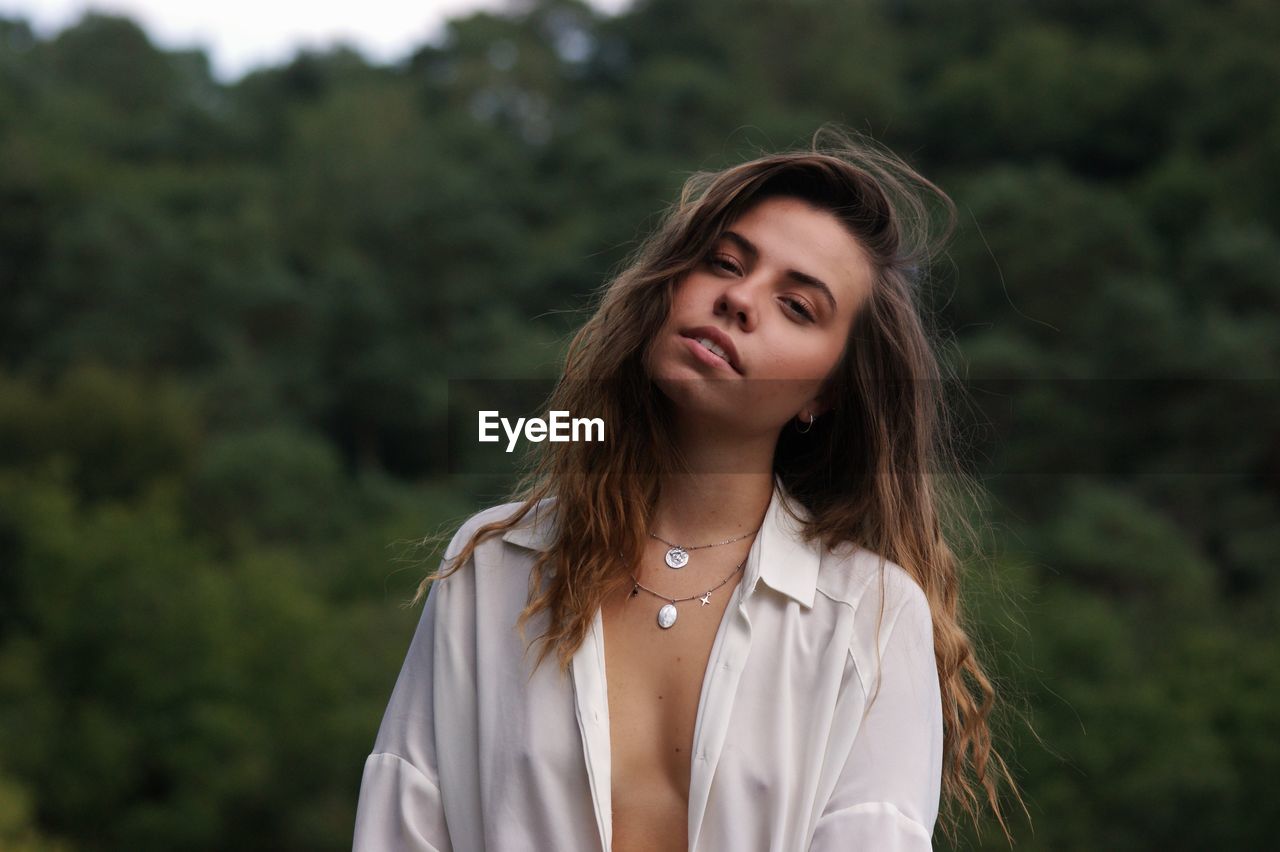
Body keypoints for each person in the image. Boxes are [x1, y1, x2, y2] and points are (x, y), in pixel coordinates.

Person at [353, 126, 1025, 851]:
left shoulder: (870, 615)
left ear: (825, 396)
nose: (740, 299)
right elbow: (404, 826)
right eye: (725, 263)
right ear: (671, 288)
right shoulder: (494, 565)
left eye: (798, 306)